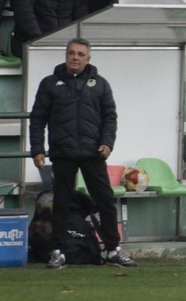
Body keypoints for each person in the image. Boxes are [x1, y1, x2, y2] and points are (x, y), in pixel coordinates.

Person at [30, 38, 136, 267]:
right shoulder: (49, 83)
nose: (75, 58)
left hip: (92, 153)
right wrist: (37, 149)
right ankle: (58, 251)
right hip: (63, 152)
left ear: (88, 59)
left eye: (80, 54)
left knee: (106, 201)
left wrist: (108, 143)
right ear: (65, 56)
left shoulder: (100, 84)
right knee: (61, 203)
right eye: (71, 53)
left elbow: (110, 117)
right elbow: (37, 118)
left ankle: (112, 249)